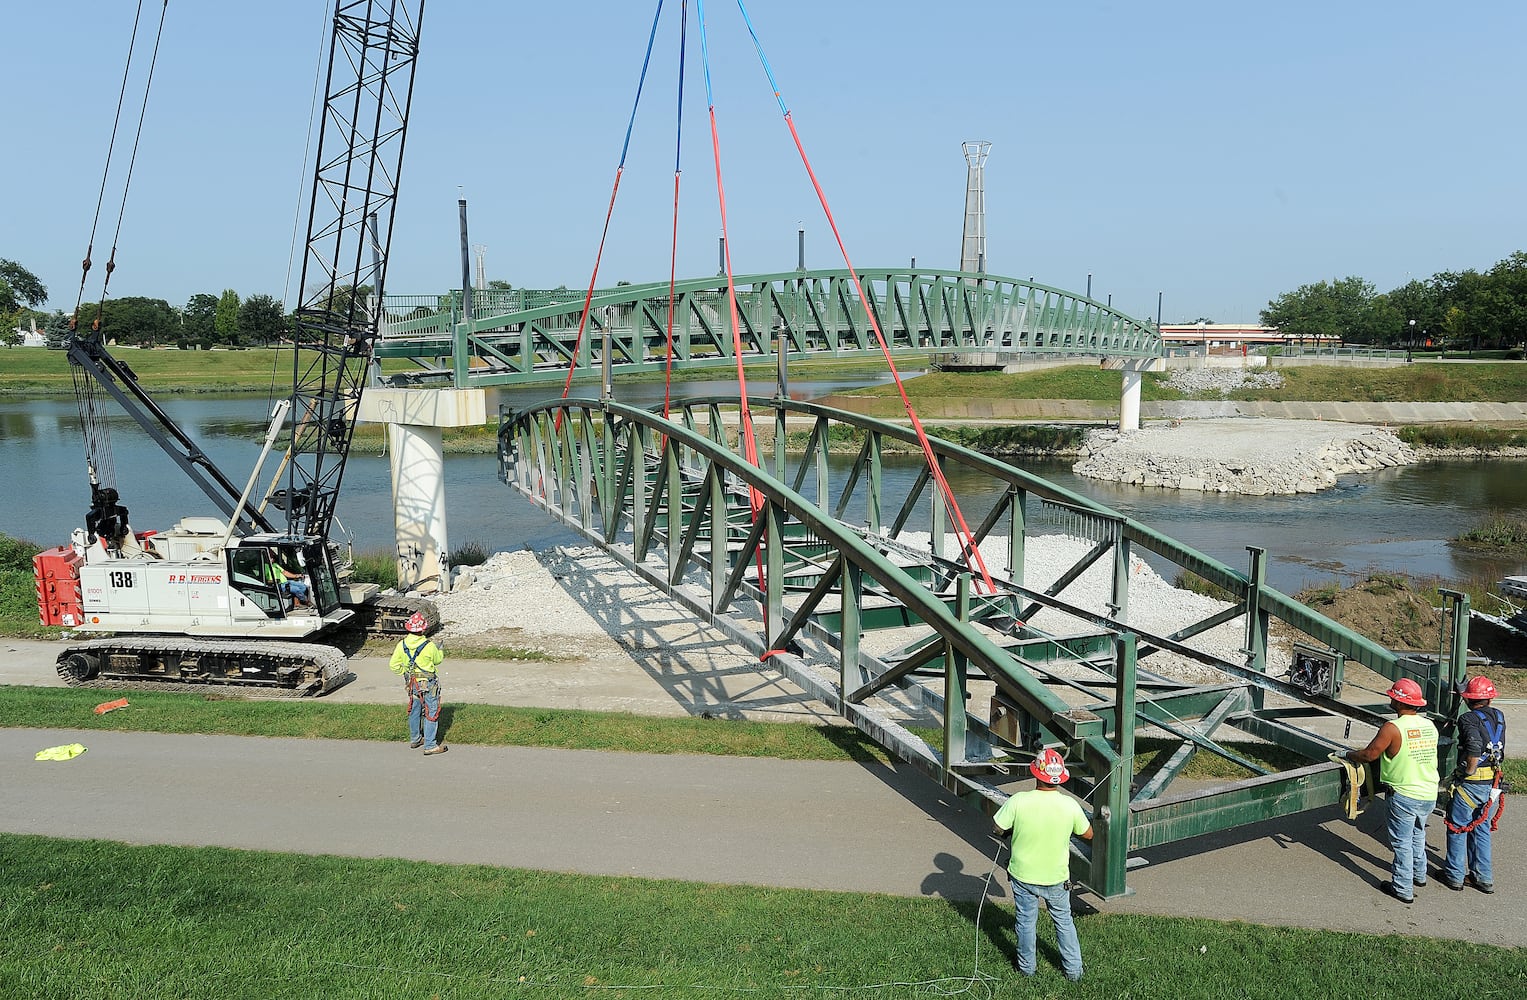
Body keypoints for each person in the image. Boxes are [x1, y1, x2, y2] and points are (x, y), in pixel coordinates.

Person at [992, 748, 1093, 982]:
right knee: (1064, 922)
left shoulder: (1019, 800)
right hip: (1056, 877)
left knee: (1026, 922)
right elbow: (1088, 834)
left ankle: (1027, 969)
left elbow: (997, 827)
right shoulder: (1069, 805)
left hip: (1023, 875)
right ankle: (1074, 971)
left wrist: (1009, 830)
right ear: (1060, 778)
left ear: (1036, 774)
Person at [1345, 678, 1439, 903]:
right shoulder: (1429, 726)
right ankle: (1419, 874)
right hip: (1428, 792)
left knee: (1402, 843)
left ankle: (1403, 888)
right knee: (1418, 834)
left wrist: (1349, 755)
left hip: (1404, 794)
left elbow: (1370, 755)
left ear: (1397, 701)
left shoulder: (1392, 728)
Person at [1441, 675, 1506, 893]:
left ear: (1468, 699)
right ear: (1489, 699)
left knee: (1457, 827)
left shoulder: (1467, 719)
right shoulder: (1499, 716)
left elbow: (1474, 749)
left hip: (1471, 783)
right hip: (1490, 783)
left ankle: (1454, 876)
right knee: (1481, 829)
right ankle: (1483, 878)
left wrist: (1464, 773)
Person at [389, 611, 446, 755]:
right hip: (429, 684)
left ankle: (415, 738)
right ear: (423, 629)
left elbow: (394, 665)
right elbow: (437, 660)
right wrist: (441, 651)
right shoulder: (429, 645)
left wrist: (406, 673)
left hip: (413, 685)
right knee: (431, 711)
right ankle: (430, 745)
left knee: (415, 710)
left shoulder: (401, 645)